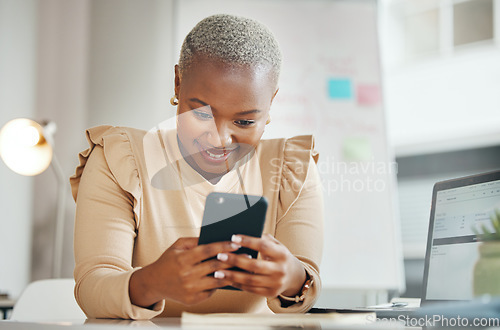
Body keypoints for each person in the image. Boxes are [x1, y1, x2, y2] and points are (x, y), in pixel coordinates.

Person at [70, 13, 324, 319]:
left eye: (244, 121)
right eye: (202, 114)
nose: (219, 139)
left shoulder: (291, 166)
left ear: (270, 102)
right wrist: (151, 283)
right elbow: (92, 287)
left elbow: (307, 285)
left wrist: (294, 277)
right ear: (178, 83)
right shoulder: (121, 158)